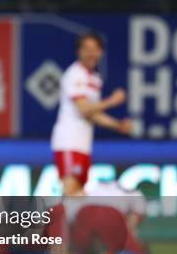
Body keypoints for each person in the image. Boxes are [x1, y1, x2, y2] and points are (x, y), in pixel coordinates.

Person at [50, 32, 131, 196]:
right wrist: (112, 101)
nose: (90, 53)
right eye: (86, 49)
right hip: (68, 141)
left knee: (79, 196)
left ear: (101, 52)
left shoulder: (95, 79)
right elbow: (83, 108)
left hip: (84, 145)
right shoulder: (74, 74)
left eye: (94, 49)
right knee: (72, 193)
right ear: (78, 51)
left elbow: (92, 115)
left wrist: (118, 125)